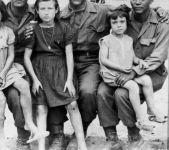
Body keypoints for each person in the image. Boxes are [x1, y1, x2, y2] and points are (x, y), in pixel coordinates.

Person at [24, 0, 169, 149]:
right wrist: (30, 27)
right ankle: (59, 134)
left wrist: (159, 9)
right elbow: (36, 14)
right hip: (65, 61)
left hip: (93, 61)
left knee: (88, 91)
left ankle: (88, 131)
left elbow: (130, 9)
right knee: (57, 87)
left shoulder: (103, 10)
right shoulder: (58, 13)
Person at [0, 0, 68, 150]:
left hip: (27, 61)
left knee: (31, 91)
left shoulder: (37, 10)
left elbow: (54, 23)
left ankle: (37, 136)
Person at [97, 0, 169, 149]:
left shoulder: (162, 22)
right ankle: (112, 139)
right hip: (120, 71)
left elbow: (158, 56)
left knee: (122, 94)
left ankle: (135, 137)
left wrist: (135, 71)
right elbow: (102, 7)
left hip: (150, 73)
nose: (137, 1)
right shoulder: (122, 16)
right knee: (102, 92)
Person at [24, 0, 88, 150]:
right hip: (40, 70)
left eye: (49, 8)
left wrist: (69, 80)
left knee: (72, 104)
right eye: (42, 9)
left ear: (56, 9)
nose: (46, 12)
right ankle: (41, 146)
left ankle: (82, 145)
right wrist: (34, 79)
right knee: (41, 108)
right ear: (37, 11)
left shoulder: (65, 28)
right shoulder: (33, 29)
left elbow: (69, 55)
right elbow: (27, 57)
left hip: (61, 69)